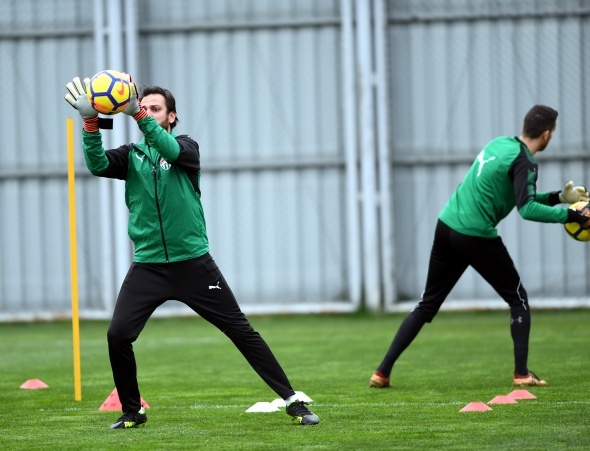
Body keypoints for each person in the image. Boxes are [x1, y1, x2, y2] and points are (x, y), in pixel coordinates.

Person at [64, 75, 319, 428]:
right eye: (145, 107)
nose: (149, 113)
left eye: (156, 109)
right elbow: (97, 164)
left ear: (171, 116)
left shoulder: (186, 148)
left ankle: (293, 400)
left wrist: (137, 114)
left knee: (241, 331)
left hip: (194, 265)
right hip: (149, 267)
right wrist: (90, 124)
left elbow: (167, 149)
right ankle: (133, 411)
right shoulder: (131, 156)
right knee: (118, 335)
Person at [369, 105, 590, 389]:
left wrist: (560, 196)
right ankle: (522, 374)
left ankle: (382, 371)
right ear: (546, 134)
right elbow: (527, 209)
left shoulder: (500, 144)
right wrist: (570, 215)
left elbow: (518, 196)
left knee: (426, 305)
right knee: (518, 299)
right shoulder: (525, 162)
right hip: (475, 234)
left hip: (447, 225)